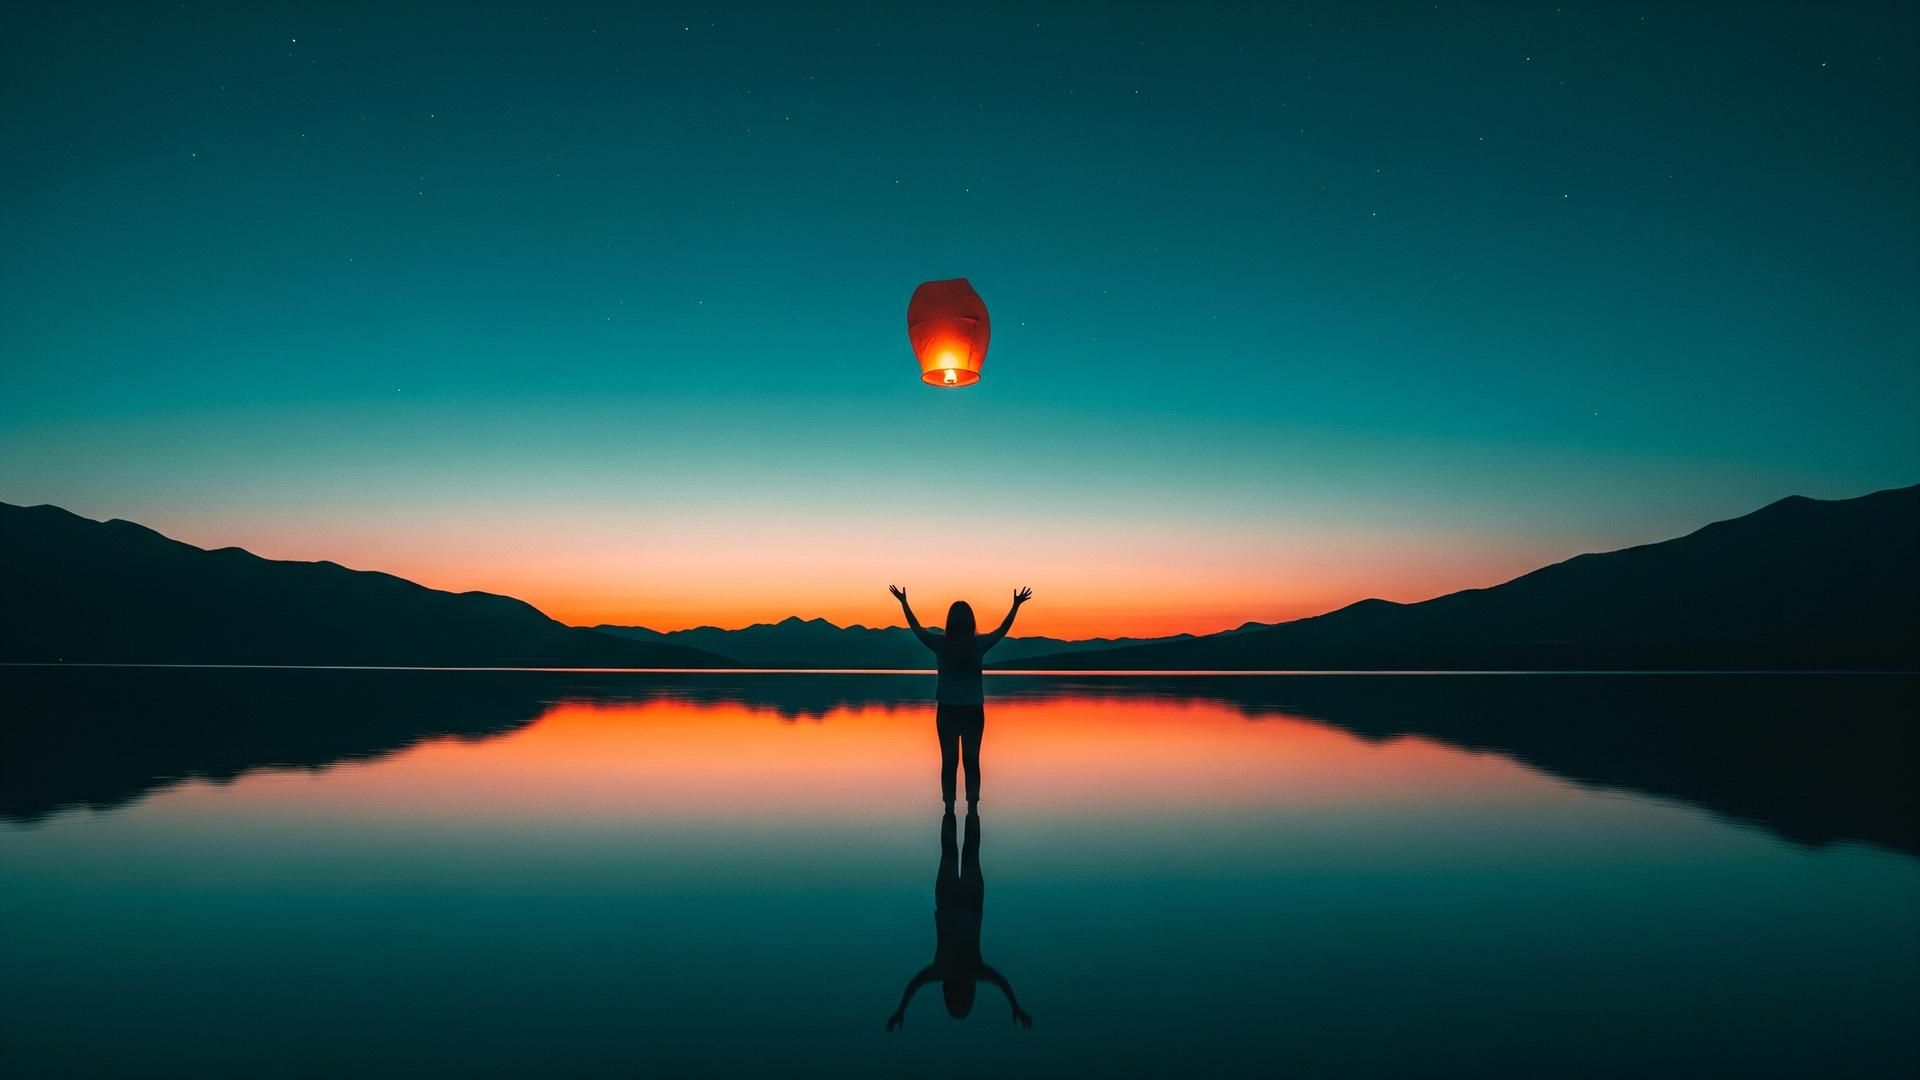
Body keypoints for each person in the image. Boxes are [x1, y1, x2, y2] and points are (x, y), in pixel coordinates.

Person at [888, 585, 1031, 812]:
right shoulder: (978, 644)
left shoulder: (940, 643)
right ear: (971, 620)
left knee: (949, 762)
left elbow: (916, 628)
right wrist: (1015, 606)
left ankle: (949, 808)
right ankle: (972, 808)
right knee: (972, 761)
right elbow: (1002, 630)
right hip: (973, 711)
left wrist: (904, 603)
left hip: (947, 712)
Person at [885, 809, 1032, 1031]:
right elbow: (915, 984)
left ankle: (968, 806)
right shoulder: (942, 971)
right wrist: (901, 1009)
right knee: (951, 850)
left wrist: (1015, 1006)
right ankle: (950, 806)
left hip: (969, 904)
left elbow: (1000, 982)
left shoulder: (972, 971)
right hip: (949, 903)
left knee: (969, 851)